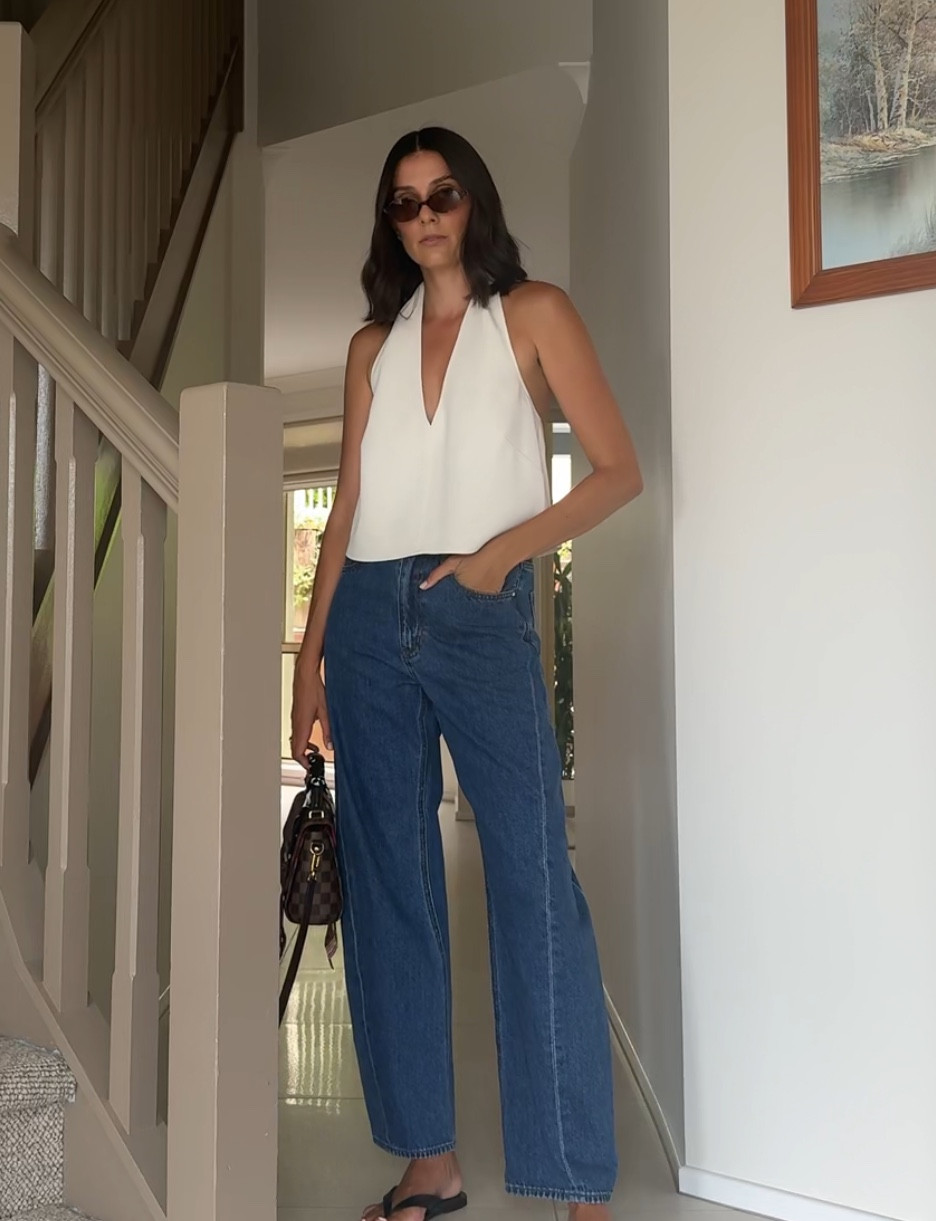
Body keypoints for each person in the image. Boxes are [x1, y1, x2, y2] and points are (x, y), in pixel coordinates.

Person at [290, 127, 643, 1221]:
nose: (426, 214)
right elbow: (343, 511)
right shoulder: (368, 348)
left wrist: (498, 559)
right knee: (394, 888)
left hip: (479, 613)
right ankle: (429, 1161)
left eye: (443, 194)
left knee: (537, 882)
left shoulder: (533, 313)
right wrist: (309, 662)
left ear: (474, 202)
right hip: (366, 626)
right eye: (404, 202)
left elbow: (617, 472)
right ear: (390, 224)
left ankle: (576, 1180)